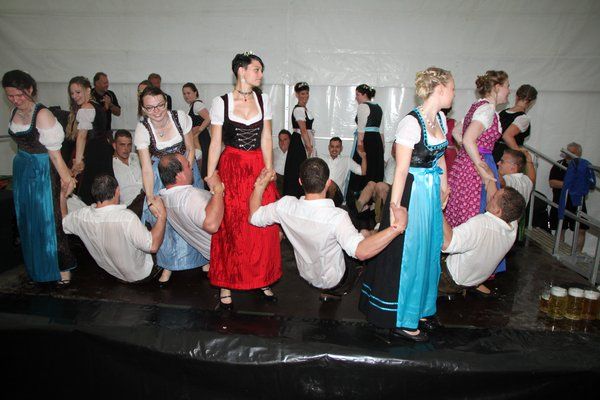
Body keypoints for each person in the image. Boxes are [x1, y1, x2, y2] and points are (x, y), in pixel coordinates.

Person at [359, 67, 454, 342]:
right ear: (439, 89)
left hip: (431, 191)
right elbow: (400, 171)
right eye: (452, 88)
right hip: (412, 192)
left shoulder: (440, 118)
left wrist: (445, 185)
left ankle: (420, 309)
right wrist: (395, 208)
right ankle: (401, 317)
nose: (454, 93)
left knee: (428, 250)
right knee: (408, 254)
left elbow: (440, 156)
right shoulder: (411, 123)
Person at [249, 158, 407, 300]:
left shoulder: (284, 206)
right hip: (337, 281)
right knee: (366, 234)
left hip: (307, 275)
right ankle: (375, 230)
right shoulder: (337, 217)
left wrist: (260, 185)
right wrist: (396, 227)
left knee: (346, 236)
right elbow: (361, 252)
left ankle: (329, 292)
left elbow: (254, 216)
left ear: (300, 182)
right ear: (328, 183)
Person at [206, 52, 281, 309]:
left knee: (261, 224)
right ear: (241, 70)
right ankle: (226, 282)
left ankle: (261, 278)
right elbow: (216, 142)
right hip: (232, 167)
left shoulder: (264, 99)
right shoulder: (221, 102)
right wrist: (210, 174)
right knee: (231, 225)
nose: (261, 74)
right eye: (256, 69)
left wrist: (269, 169)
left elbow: (267, 137)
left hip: (258, 166)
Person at [3, 70, 77, 284]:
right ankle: (36, 266)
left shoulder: (43, 115)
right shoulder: (14, 112)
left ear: (30, 89)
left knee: (49, 219)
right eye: (10, 96)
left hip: (43, 171)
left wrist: (67, 179)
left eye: (20, 95)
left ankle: (61, 267)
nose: (15, 100)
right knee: (27, 219)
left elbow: (55, 154)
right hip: (23, 170)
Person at [134, 85, 203, 287]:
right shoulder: (143, 129)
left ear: (165, 102)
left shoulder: (180, 117)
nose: (156, 111)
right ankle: (169, 264)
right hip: (160, 174)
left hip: (185, 169)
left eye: (160, 105)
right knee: (165, 219)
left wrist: (185, 173)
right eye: (150, 108)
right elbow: (146, 168)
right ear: (143, 109)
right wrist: (150, 196)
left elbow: (190, 148)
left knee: (193, 215)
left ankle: (203, 257)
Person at [445, 70, 510, 275]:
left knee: (464, 213)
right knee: (478, 214)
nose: (509, 91)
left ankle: (460, 269)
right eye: (507, 86)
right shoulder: (487, 110)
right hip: (478, 164)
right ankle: (470, 272)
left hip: (468, 163)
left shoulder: (477, 107)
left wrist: (468, 154)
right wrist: (481, 165)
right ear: (497, 87)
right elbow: (467, 138)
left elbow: (457, 132)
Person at [61, 174, 167, 283]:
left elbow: (63, 220)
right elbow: (153, 247)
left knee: (141, 199)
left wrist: (62, 194)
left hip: (114, 273)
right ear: (117, 191)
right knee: (161, 221)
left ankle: (143, 195)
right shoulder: (127, 218)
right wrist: (162, 216)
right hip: (142, 274)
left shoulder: (80, 216)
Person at [439, 186, 525, 297]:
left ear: (498, 211)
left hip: (448, 279)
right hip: (474, 281)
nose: (491, 196)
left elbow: (447, 244)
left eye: (493, 197)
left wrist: (438, 207)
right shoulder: (512, 227)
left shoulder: (481, 224)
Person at [158, 153, 226, 279]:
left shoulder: (165, 199)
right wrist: (217, 188)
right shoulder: (189, 197)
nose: (192, 169)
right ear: (179, 174)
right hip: (231, 250)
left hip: (216, 256)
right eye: (188, 166)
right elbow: (212, 225)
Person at [66, 76, 113, 206]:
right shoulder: (97, 105)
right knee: (103, 188)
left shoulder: (87, 107)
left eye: (78, 92)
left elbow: (82, 136)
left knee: (89, 189)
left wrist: (78, 162)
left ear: (88, 90)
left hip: (93, 153)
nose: (74, 96)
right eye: (72, 93)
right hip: (103, 151)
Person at [549, 143, 589, 252]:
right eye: (567, 151)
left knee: (581, 229)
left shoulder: (583, 167)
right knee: (560, 228)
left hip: (577, 202)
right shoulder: (559, 165)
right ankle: (558, 252)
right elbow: (552, 182)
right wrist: (571, 184)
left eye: (572, 153)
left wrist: (567, 185)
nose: (568, 155)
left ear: (578, 154)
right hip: (560, 201)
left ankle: (578, 254)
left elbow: (586, 185)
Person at [348, 84, 384, 199]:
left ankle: (361, 199)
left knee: (364, 168)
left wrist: (360, 146)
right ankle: (373, 200)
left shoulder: (363, 106)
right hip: (377, 142)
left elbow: (361, 129)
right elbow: (381, 131)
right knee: (374, 170)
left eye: (357, 94)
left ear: (364, 95)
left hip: (366, 141)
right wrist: (382, 149)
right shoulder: (378, 107)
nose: (356, 97)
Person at [283, 81, 316, 197]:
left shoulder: (304, 109)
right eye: (302, 94)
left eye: (307, 93)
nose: (305, 96)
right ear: (297, 95)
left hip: (304, 139)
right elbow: (303, 130)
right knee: (299, 169)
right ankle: (296, 196)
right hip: (300, 142)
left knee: (302, 169)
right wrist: (309, 146)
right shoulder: (298, 110)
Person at [493, 84, 538, 163]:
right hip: (508, 158)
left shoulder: (502, 112)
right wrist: (520, 154)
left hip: (494, 151)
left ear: (516, 96)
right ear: (531, 102)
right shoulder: (523, 118)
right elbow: (507, 136)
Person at [355, 143, 396, 223]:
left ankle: (379, 219)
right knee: (371, 183)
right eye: (393, 149)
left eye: (396, 149)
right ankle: (357, 209)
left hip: (393, 192)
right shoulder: (390, 160)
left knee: (380, 185)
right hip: (381, 190)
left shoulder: (403, 163)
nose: (393, 151)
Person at [182, 82, 211, 187]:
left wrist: (199, 130)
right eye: (184, 94)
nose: (186, 96)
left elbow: (209, 117)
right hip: (198, 138)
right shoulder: (192, 106)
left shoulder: (197, 105)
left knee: (203, 165)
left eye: (188, 93)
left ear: (195, 92)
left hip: (202, 139)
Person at [321, 137, 366, 203]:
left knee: (330, 183)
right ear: (329, 147)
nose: (334, 149)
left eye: (337, 147)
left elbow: (363, 172)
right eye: (332, 146)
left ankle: (327, 205)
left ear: (341, 148)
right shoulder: (321, 158)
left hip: (337, 195)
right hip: (322, 191)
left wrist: (363, 157)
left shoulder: (347, 160)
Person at [112, 129, 144, 217]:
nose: (126, 149)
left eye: (129, 145)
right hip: (129, 207)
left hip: (146, 199)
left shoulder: (136, 157)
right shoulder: (111, 164)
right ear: (114, 145)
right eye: (122, 145)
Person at [273, 129, 291, 194]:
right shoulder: (273, 152)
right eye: (280, 140)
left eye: (285, 140)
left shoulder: (294, 153)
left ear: (290, 140)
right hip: (275, 179)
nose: (282, 142)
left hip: (289, 180)